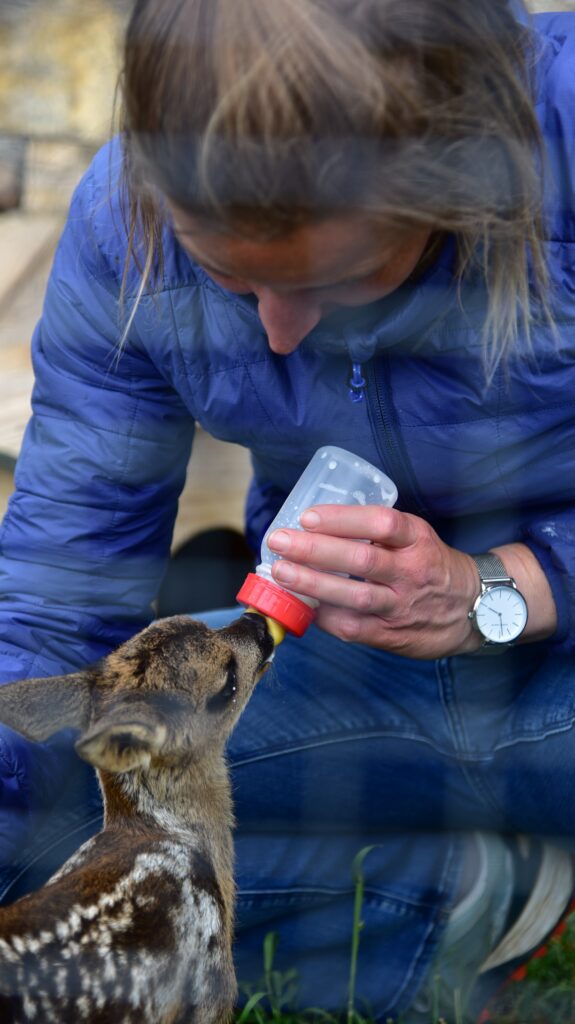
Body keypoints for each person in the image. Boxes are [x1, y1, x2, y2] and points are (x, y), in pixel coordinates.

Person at [0, 0, 574, 1018]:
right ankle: (465, 892)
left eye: (340, 277)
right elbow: (55, 617)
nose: (277, 333)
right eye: (229, 279)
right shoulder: (120, 223)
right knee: (75, 863)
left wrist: (504, 587)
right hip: (336, 676)